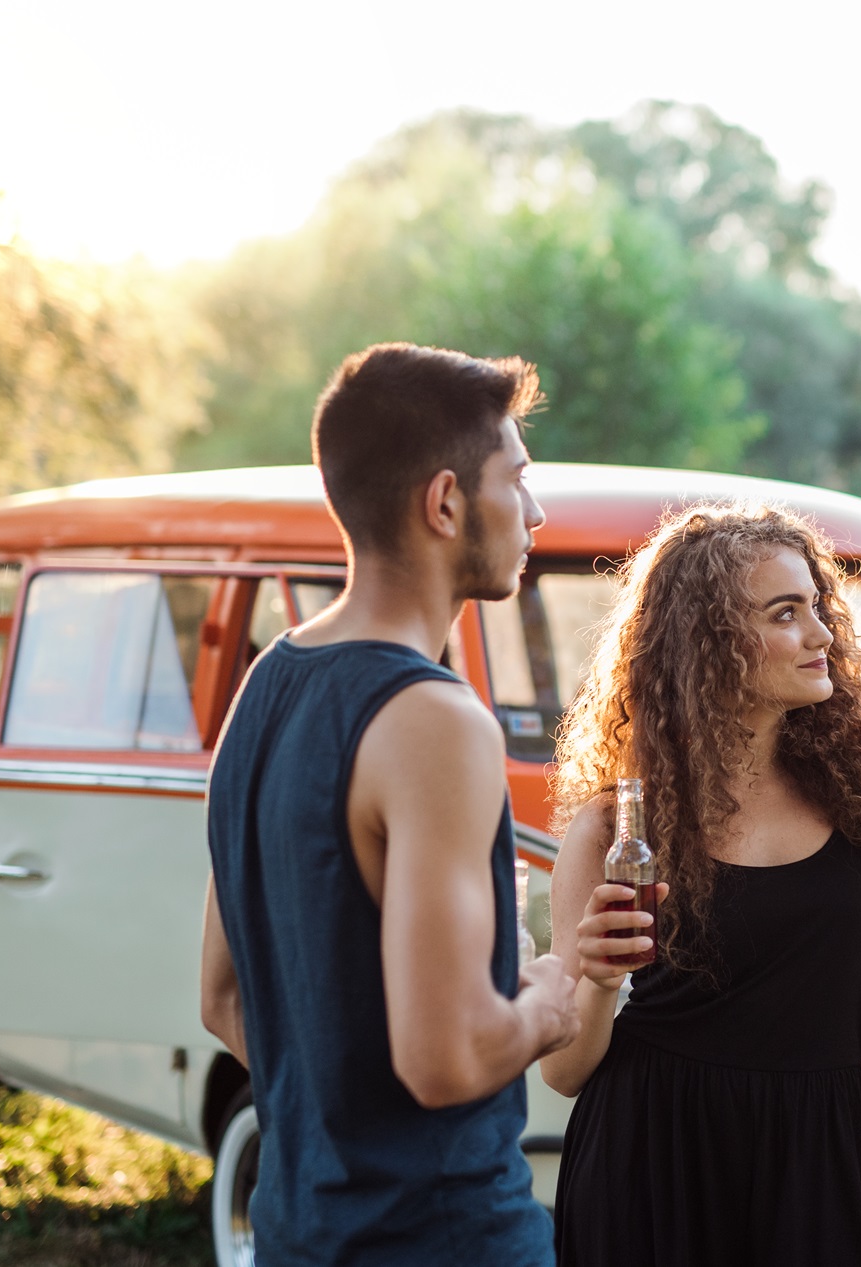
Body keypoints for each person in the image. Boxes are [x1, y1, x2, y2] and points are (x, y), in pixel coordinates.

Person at [199, 344, 579, 1265]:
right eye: (516, 480)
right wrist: (546, 999)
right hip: (446, 1239)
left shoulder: (264, 686)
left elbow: (220, 998)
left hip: (303, 1231)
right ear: (446, 503)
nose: (535, 511)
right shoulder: (437, 722)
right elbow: (445, 1058)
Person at [538, 504, 861, 1267]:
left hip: (818, 1168)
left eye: (816, 606)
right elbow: (566, 1072)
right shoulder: (614, 828)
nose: (823, 633)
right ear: (711, 645)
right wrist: (600, 981)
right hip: (649, 1167)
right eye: (785, 613)